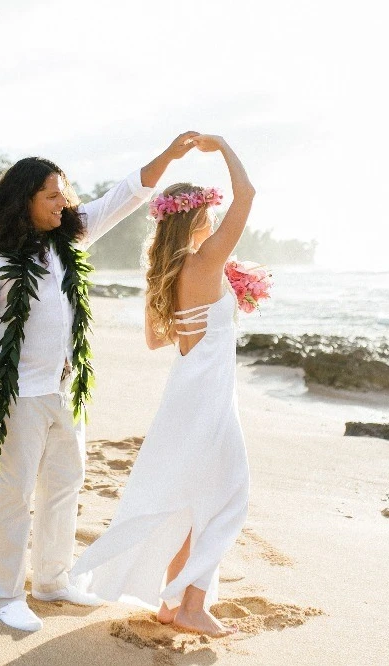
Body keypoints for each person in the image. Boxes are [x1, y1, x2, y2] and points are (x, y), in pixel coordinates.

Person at [0, 132, 200, 632]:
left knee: (65, 488)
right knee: (12, 495)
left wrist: (169, 157)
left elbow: (122, 197)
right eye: (52, 195)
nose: (63, 203)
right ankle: (5, 595)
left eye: (64, 194)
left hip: (66, 391)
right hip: (16, 395)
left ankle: (51, 580)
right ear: (23, 201)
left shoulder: (67, 239)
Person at [69, 134, 255, 637]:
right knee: (224, 496)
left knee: (190, 497)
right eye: (209, 214)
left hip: (185, 393)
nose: (215, 222)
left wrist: (207, 312)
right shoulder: (206, 260)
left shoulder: (166, 272)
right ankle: (191, 604)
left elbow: (157, 339)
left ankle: (174, 603)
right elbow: (248, 195)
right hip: (210, 397)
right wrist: (224, 148)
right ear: (197, 218)